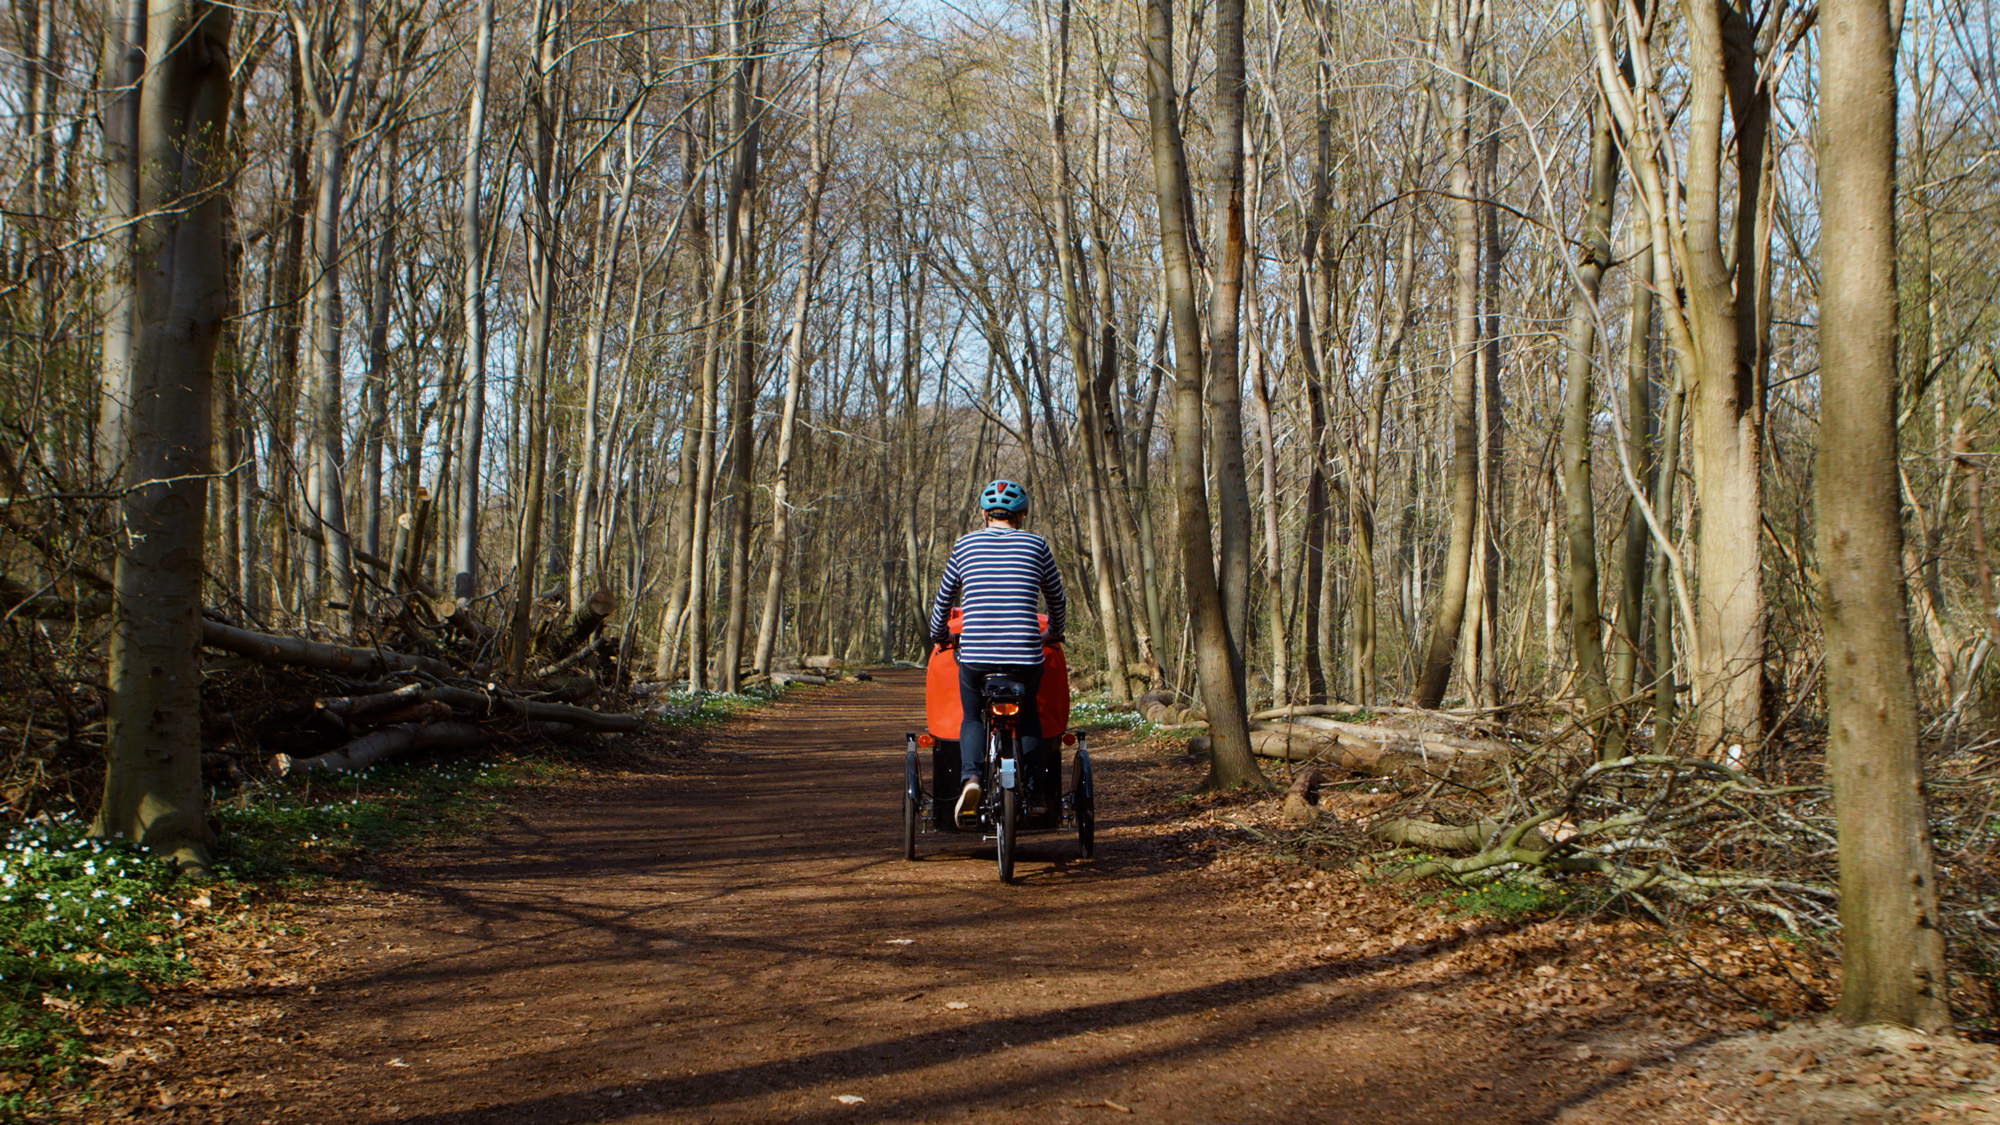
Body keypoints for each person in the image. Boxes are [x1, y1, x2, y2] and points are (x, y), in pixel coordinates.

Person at [927, 479, 1067, 824]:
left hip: (976, 656)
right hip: (1025, 654)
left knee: (973, 716)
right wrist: (1052, 633)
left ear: (984, 514)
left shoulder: (965, 545)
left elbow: (943, 601)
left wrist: (941, 634)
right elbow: (1056, 600)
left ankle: (971, 779)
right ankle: (1034, 793)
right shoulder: (1037, 545)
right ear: (1022, 515)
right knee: (1030, 716)